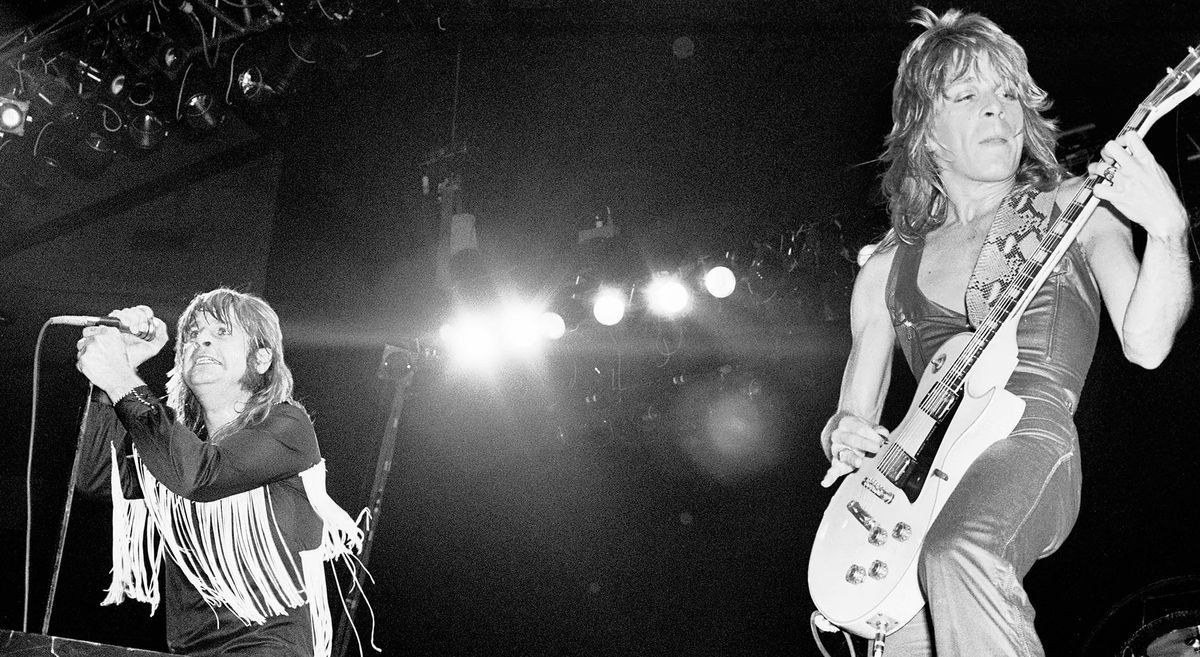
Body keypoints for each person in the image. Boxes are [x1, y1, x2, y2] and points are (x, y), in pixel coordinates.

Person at [817, 7, 1192, 656]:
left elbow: (1148, 342)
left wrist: (1167, 232)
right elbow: (852, 413)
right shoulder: (884, 266)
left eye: (1009, 93)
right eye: (968, 96)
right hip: (909, 487)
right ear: (927, 132)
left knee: (962, 548)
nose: (998, 110)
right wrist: (842, 433)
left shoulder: (1077, 209)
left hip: (1026, 436)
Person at [74, 288, 366, 657]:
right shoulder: (174, 443)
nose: (202, 340)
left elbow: (201, 476)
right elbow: (97, 476)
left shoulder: (287, 425)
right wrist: (114, 377)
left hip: (267, 646)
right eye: (192, 335)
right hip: (188, 648)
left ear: (261, 360)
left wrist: (120, 380)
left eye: (222, 332)